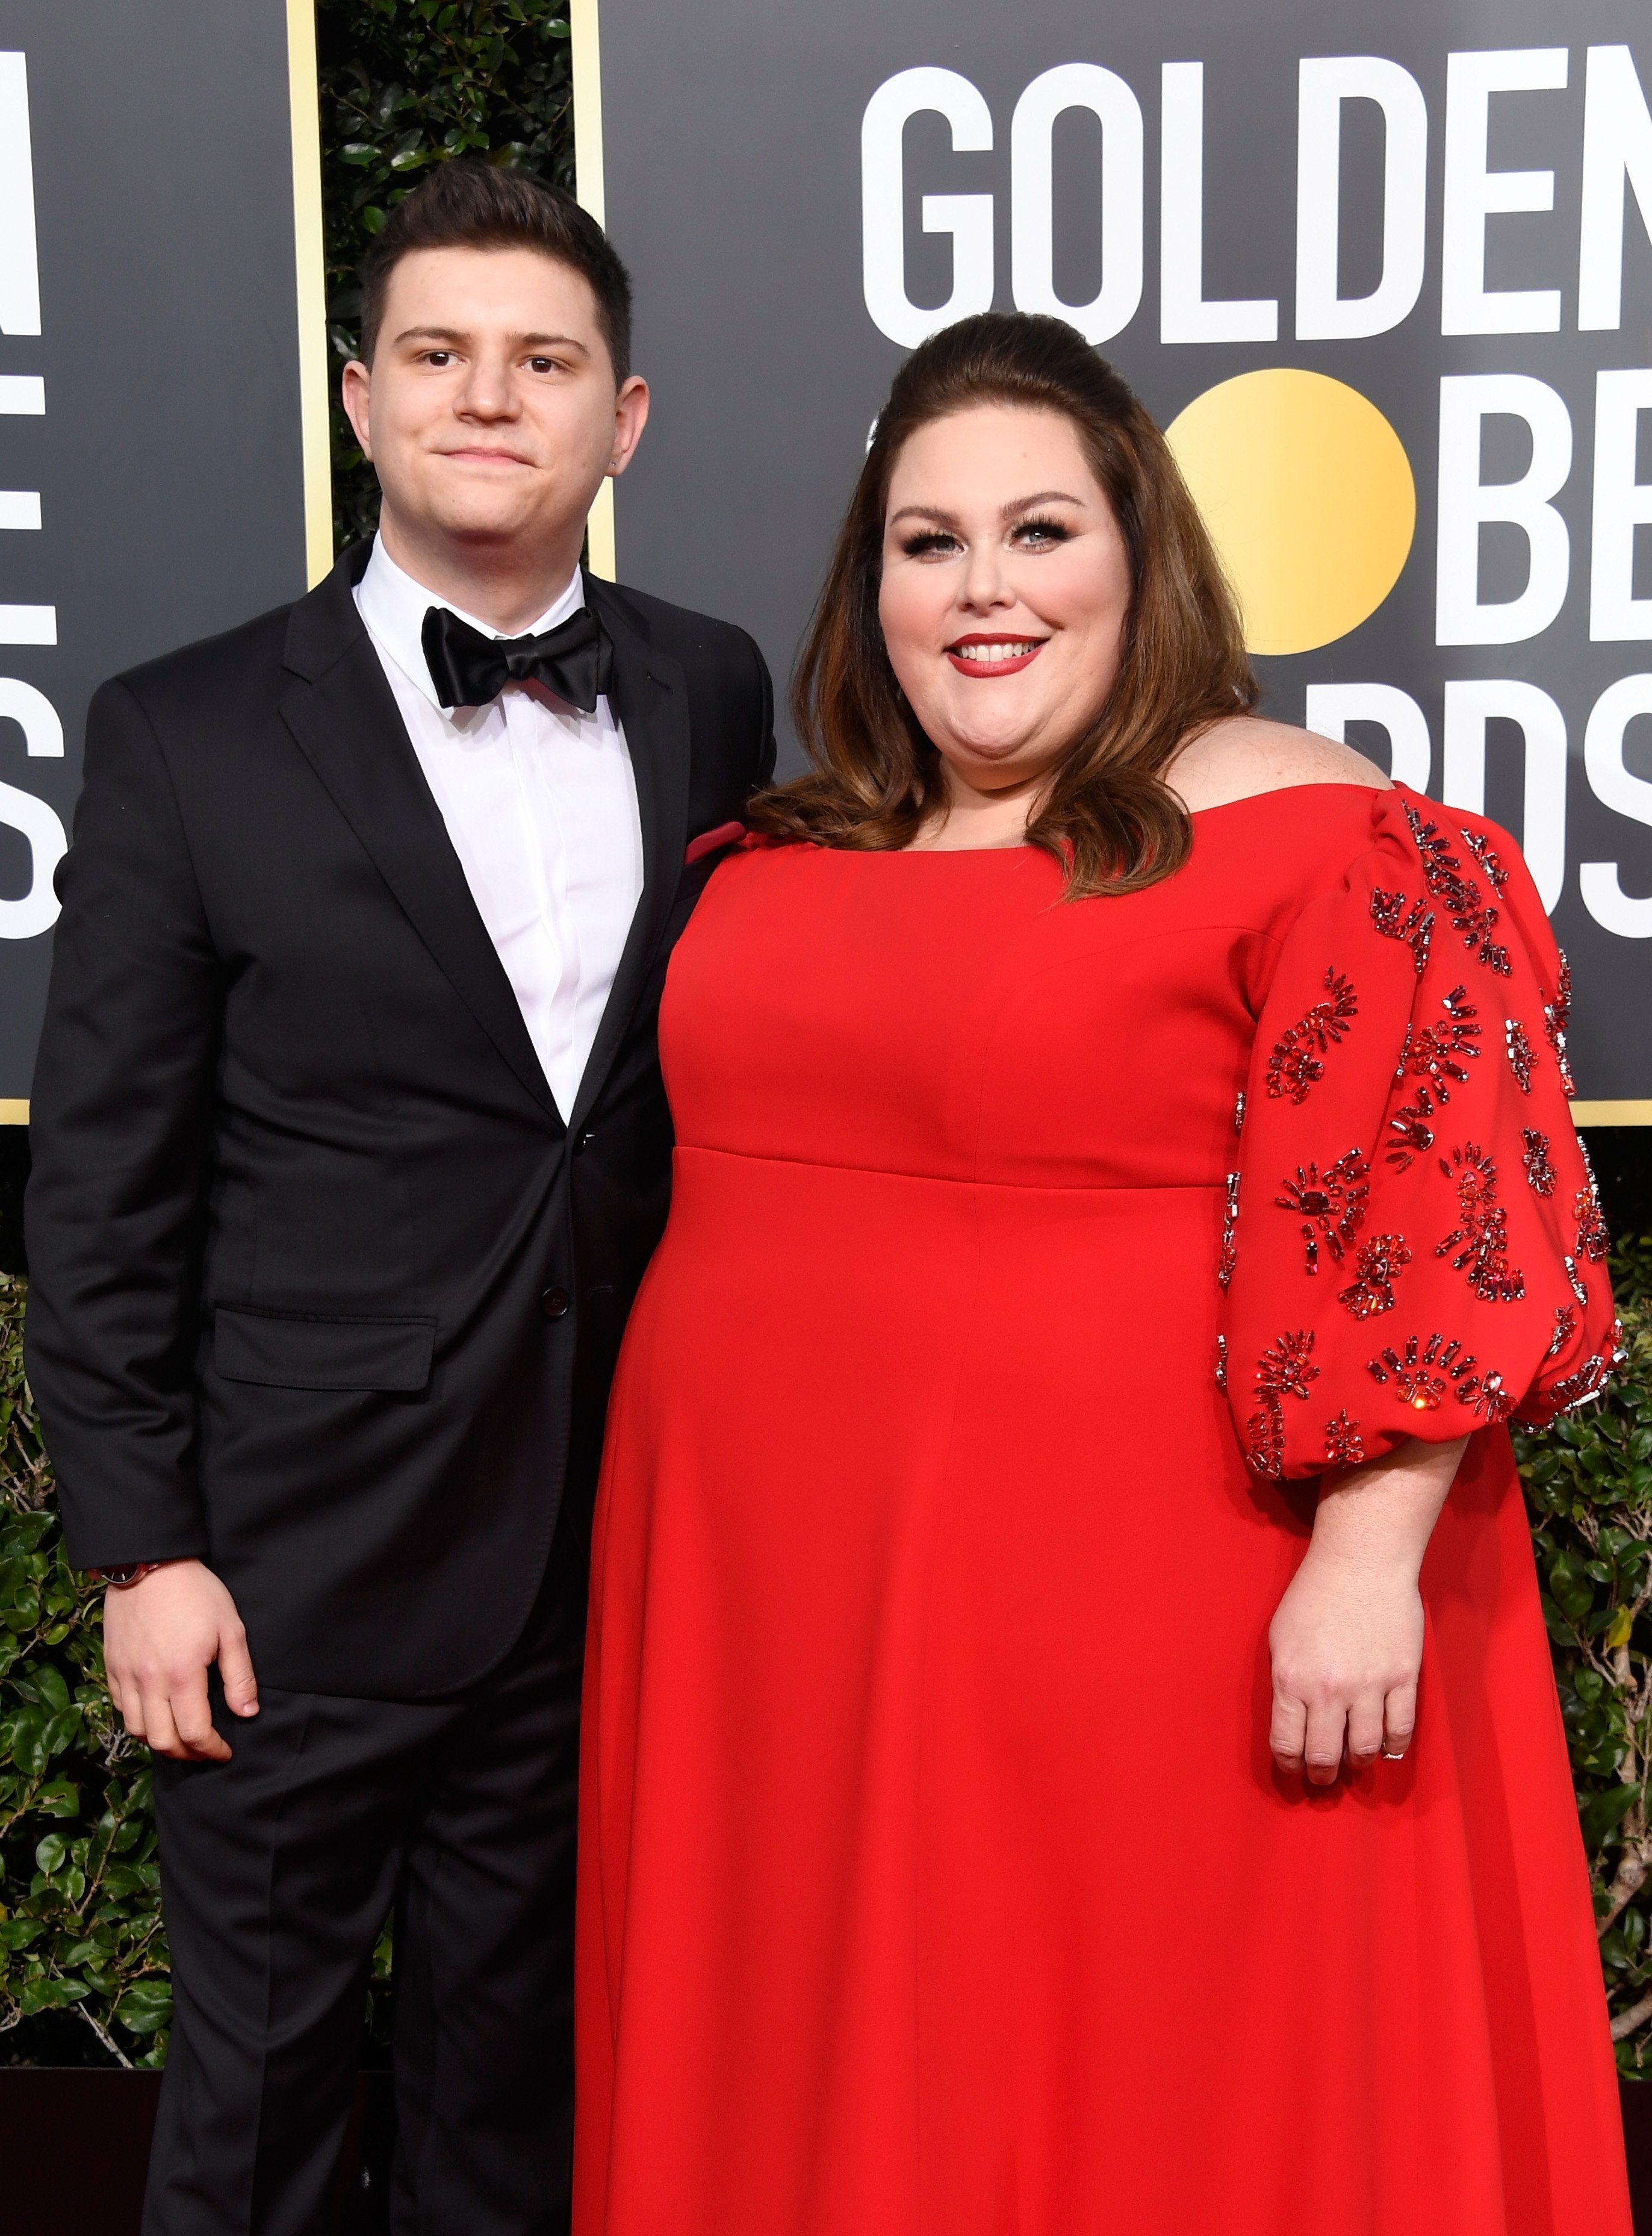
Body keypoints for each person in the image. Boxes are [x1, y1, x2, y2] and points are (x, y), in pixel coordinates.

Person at [573, 313, 1630, 2235]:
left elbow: (1444, 1215)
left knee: (1147, 2097)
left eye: (1041, 530)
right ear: (869, 580)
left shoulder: (1316, 828)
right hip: (774, 1625)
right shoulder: (802, 837)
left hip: (1145, 1619)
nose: (985, 586)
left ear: (1144, 560)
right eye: (929, 540)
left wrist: (1368, 1561)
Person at [25, 158, 772, 2235]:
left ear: (624, 419)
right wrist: (142, 1548)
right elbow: (101, 1185)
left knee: (513, 2106)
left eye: (544, 362)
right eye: (438, 354)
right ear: (359, 398)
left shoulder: (710, 686)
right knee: (251, 2111)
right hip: (290, 1578)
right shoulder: (183, 735)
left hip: (591, 1544)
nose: (487, 397)